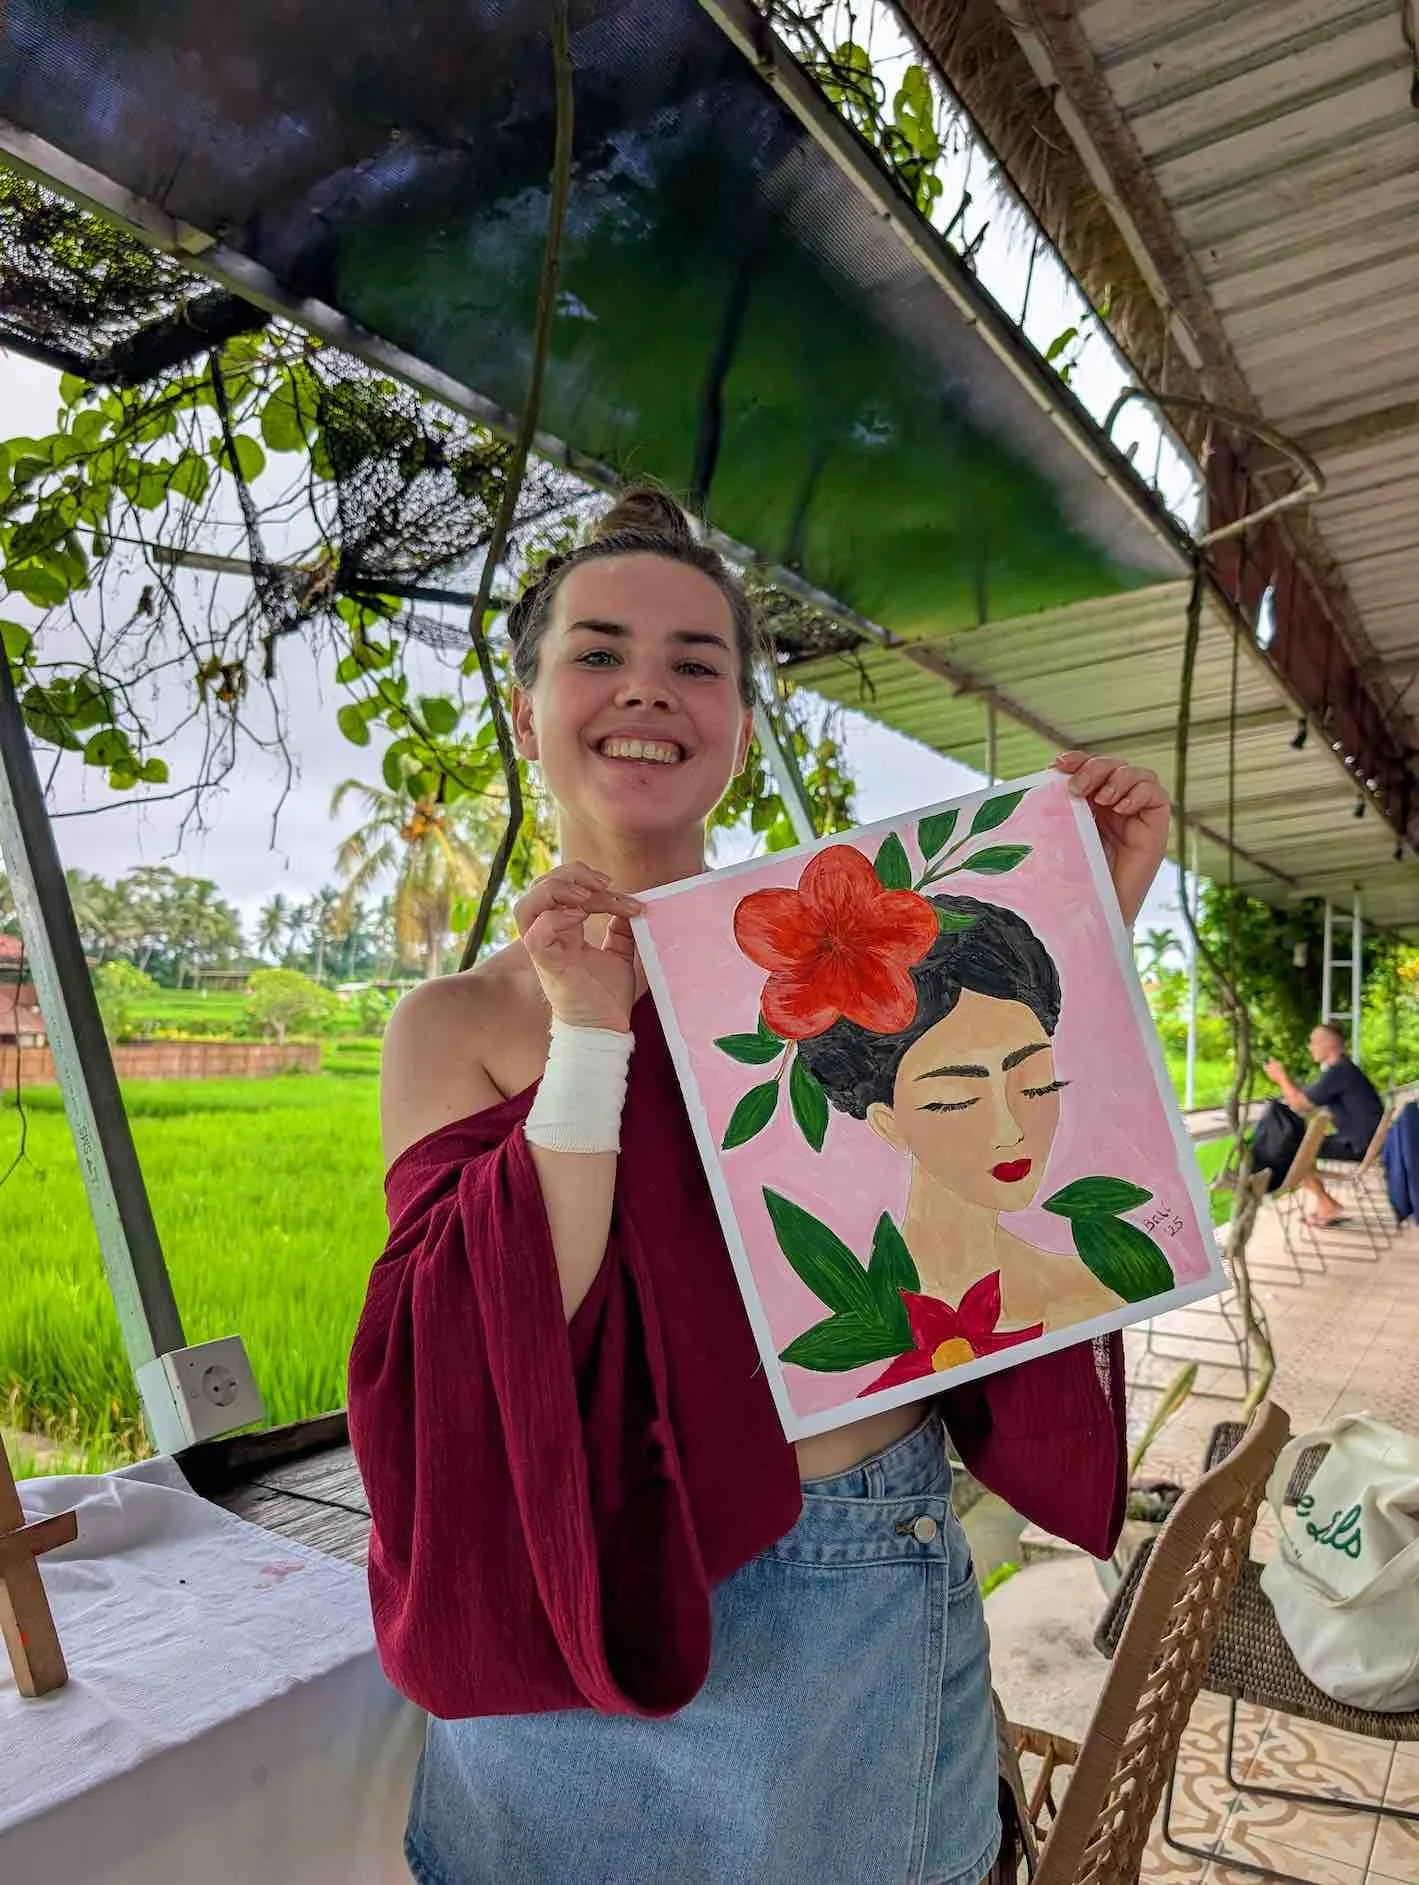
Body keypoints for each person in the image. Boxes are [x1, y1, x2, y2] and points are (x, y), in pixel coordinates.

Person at [346, 487, 1170, 1885]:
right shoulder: (456, 1021)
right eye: (598, 652)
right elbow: (483, 1337)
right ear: (528, 694)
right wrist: (589, 1034)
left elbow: (976, 1153)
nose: (645, 692)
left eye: (695, 663)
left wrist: (1079, 923)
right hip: (575, 1611)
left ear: (737, 716)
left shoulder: (849, 963)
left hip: (843, 1586)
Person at [798, 895, 1124, 1333]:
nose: (1009, 1130)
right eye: (954, 1099)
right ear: (888, 1124)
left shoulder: (1090, 1297)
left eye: (1036, 1083)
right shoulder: (858, 1331)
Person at [1262, 1025, 1383, 1227]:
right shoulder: (1343, 1070)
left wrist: (1281, 1077)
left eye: (1314, 1042)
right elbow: (1306, 1099)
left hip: (1358, 1146)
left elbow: (1299, 1104)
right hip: (1368, 1143)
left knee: (1289, 1150)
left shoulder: (1339, 1072)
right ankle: (1325, 1203)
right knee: (1298, 1147)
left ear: (1330, 1044)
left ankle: (1326, 1204)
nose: (1310, 1047)